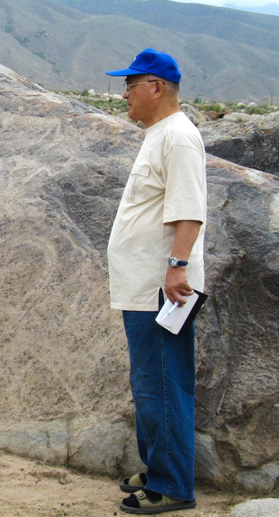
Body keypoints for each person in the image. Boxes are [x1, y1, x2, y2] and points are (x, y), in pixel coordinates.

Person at [106, 49, 207, 514]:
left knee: (163, 383)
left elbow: (189, 211)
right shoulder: (158, 134)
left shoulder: (179, 138)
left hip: (162, 287)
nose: (124, 93)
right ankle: (157, 465)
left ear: (157, 88)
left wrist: (176, 267)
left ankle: (171, 487)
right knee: (149, 380)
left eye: (131, 84)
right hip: (145, 284)